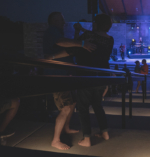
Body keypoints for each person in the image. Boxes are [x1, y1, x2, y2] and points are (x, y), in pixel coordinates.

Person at [57, 14, 113, 147]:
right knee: (98, 105)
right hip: (102, 76)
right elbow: (96, 36)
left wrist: (52, 56)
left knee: (83, 107)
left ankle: (86, 139)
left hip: (86, 76)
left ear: (96, 23)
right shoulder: (110, 39)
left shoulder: (88, 37)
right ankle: (105, 133)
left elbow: (72, 49)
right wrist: (81, 29)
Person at [43, 12, 96, 150]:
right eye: (62, 19)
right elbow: (63, 43)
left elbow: (69, 49)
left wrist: (77, 34)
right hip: (57, 76)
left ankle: (66, 127)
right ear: (54, 20)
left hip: (66, 74)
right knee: (65, 107)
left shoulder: (57, 33)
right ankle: (55, 140)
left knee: (72, 103)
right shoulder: (52, 31)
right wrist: (82, 43)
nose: (64, 22)